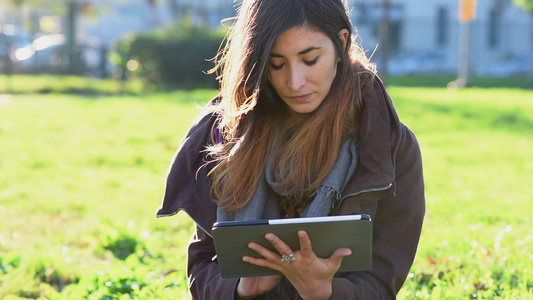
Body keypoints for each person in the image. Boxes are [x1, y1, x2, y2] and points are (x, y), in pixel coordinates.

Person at [156, 0, 425, 299]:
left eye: (310, 60)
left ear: (341, 42)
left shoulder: (389, 146)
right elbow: (202, 266)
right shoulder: (227, 135)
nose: (294, 82)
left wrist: (326, 292)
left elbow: (382, 283)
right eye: (277, 64)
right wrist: (241, 289)